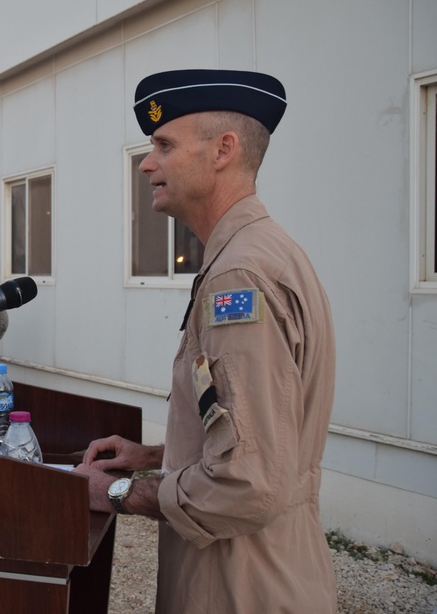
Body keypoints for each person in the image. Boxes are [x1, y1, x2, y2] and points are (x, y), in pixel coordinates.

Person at [75, 70, 336, 613]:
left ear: (223, 150)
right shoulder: (262, 251)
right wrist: (153, 456)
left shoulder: (238, 277)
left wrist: (117, 493)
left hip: (242, 586)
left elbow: (246, 482)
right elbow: (254, 438)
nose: (147, 164)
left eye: (164, 145)